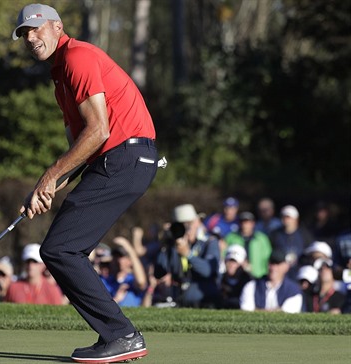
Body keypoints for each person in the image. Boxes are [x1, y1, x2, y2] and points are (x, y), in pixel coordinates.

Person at [12, 4, 158, 362]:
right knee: (61, 248)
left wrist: (49, 176)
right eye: (25, 34)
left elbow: (99, 131)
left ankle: (121, 335)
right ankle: (118, 334)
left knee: (61, 249)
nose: (32, 38)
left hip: (125, 156)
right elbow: (79, 149)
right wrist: (44, 189)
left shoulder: (77, 57)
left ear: (57, 26)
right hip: (120, 159)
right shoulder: (60, 77)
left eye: (37, 29)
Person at [154, 204, 221, 308]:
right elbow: (159, 272)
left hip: (205, 302)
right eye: (182, 224)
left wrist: (188, 254)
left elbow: (208, 270)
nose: (187, 228)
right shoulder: (173, 246)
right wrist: (164, 245)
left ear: (197, 222)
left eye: (189, 223)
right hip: (180, 301)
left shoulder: (209, 242)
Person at [269, 205, 314, 280]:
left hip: (299, 274)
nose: (286, 220)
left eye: (288, 217)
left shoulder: (304, 235)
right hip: (280, 275)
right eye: (283, 217)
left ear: (296, 219)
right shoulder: (275, 235)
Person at [99, 237, 148, 307]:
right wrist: (116, 299)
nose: (118, 260)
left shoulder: (131, 280)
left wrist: (129, 248)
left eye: (121, 257)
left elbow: (141, 282)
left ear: (130, 261)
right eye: (115, 257)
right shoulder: (105, 281)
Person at [224, 211, 272, 278]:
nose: (244, 225)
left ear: (253, 223)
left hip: (258, 275)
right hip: (236, 276)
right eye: (242, 222)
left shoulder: (262, 239)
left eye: (247, 222)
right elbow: (224, 255)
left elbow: (268, 257)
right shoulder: (231, 237)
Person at [220, 245, 252, 309]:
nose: (231, 265)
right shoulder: (219, 280)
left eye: (235, 262)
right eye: (229, 261)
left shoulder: (249, 282)